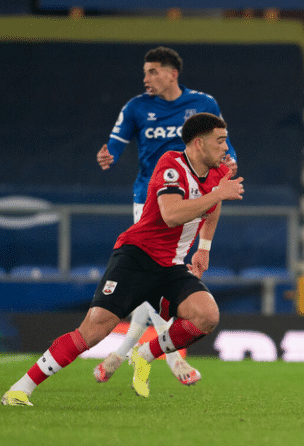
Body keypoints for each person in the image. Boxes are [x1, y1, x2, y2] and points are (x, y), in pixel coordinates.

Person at [2, 113, 244, 406]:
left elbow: (214, 204)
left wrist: (204, 247)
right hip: (136, 258)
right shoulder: (171, 164)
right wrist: (217, 194)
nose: (226, 147)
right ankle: (20, 389)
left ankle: (144, 354)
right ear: (198, 143)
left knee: (207, 316)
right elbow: (171, 214)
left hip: (171, 266)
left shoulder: (219, 172)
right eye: (220, 141)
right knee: (93, 331)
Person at [95, 46, 237, 387]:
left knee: (156, 280)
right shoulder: (136, 107)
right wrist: (108, 154)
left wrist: (229, 161)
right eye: (145, 72)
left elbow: (223, 143)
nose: (146, 78)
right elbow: (115, 142)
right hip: (150, 202)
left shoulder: (203, 103)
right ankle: (172, 358)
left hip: (192, 197)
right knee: (158, 275)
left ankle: (122, 354)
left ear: (172, 74)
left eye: (153, 71)